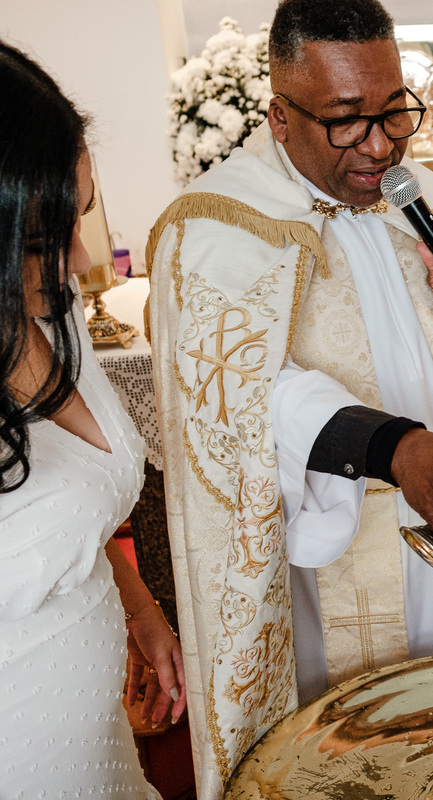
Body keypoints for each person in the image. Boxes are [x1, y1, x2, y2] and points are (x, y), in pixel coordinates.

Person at [146, 1, 433, 794]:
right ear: (280, 117)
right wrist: (393, 447)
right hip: (327, 570)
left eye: (395, 110)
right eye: (346, 121)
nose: (382, 144)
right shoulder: (214, 229)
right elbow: (238, 399)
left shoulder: (427, 197)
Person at [0, 41, 186, 797]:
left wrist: (137, 608)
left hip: (103, 755)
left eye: (79, 217)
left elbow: (66, 502)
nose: (82, 260)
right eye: (44, 242)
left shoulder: (51, 308)